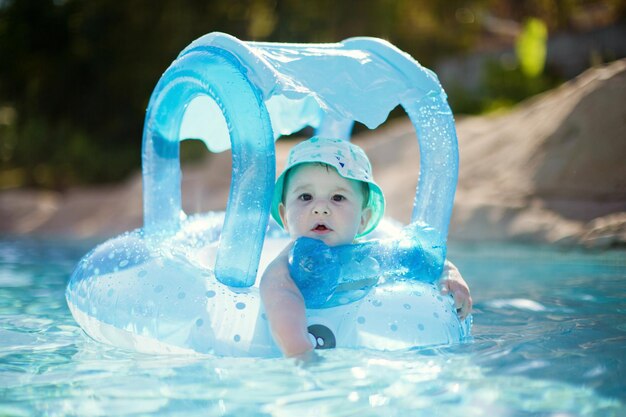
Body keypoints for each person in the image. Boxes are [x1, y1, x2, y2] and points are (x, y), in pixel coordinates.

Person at [260, 137, 472, 357]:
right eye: (306, 196)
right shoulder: (288, 264)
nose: (320, 208)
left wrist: (450, 274)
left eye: (338, 197)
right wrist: (299, 350)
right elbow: (280, 297)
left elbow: (420, 260)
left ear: (363, 218)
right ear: (284, 216)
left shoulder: (372, 254)